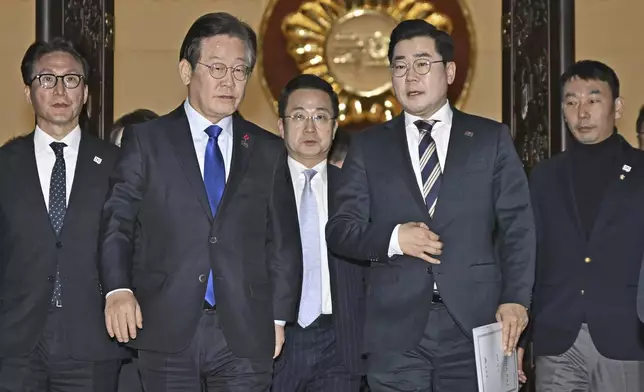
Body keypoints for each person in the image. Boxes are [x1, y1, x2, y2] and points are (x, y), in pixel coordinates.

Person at [325, 19, 536, 391]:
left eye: (422, 64)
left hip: (476, 325)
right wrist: (394, 238)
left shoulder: (490, 139)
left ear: (449, 71)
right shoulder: (368, 146)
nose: (411, 76)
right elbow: (341, 230)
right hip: (395, 332)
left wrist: (516, 300)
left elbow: (518, 227)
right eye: (400, 66)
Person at [98, 12, 302, 391]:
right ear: (186, 71)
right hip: (165, 324)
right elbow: (117, 222)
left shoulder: (267, 149)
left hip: (245, 329)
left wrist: (277, 318)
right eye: (217, 68)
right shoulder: (147, 141)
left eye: (239, 71)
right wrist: (117, 289)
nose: (229, 81)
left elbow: (283, 241)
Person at [0, 37, 124, 391]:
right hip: (16, 341)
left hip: (93, 338)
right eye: (47, 79)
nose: (60, 90)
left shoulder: (117, 165)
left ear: (85, 93)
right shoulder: (5, 165)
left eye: (71, 80)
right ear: (29, 92)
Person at [522, 60, 644, 391]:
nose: (582, 112)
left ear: (617, 107)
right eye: (571, 102)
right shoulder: (544, 176)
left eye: (593, 99)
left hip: (625, 337)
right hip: (557, 336)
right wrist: (523, 336)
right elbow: (530, 257)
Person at [272, 74, 366, 391]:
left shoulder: (358, 193)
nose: (310, 128)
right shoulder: (257, 191)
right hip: (275, 338)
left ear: (334, 128)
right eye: (299, 116)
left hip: (340, 342)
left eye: (320, 117)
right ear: (281, 126)